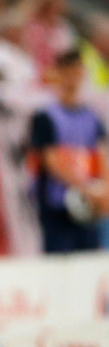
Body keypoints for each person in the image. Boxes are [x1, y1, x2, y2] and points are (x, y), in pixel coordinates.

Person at [29, 49, 109, 253]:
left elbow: (101, 155)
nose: (73, 77)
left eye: (77, 70)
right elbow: (51, 160)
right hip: (57, 203)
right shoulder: (46, 116)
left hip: (89, 205)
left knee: (90, 256)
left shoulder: (92, 117)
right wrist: (84, 187)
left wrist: (103, 191)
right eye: (68, 71)